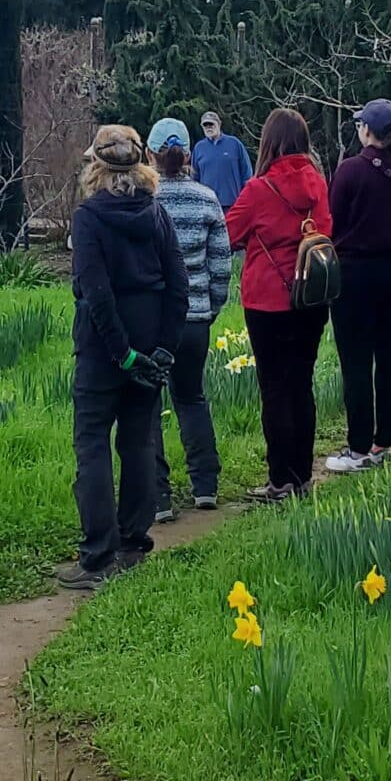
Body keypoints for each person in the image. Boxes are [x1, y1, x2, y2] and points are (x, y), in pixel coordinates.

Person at [61, 125, 188, 591]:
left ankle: (98, 555)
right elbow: (179, 284)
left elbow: (96, 293)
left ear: (95, 164)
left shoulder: (89, 218)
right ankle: (133, 542)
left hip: (103, 351)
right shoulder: (155, 212)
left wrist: (123, 354)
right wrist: (162, 350)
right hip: (148, 346)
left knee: (92, 444)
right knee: (138, 443)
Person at [225, 108, 333, 500]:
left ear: (269, 142)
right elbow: (326, 228)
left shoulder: (258, 189)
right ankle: (302, 476)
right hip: (311, 295)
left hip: (268, 299)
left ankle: (279, 479)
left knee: (274, 389)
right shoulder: (317, 183)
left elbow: (230, 232)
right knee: (301, 384)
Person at [324, 100, 391, 474]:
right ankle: (383, 442)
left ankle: (358, 446)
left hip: (356, 273)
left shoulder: (350, 171)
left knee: (357, 362)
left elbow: (334, 223)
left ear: (367, 130)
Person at [146, 117, 230, 518]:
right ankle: (205, 486)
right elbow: (221, 265)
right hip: (195, 320)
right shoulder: (207, 198)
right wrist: (211, 308)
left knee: (147, 406)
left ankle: (159, 498)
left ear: (151, 155)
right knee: (192, 399)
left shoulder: (145, 202)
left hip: (152, 323)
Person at [191, 110, 254, 210]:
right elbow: (194, 178)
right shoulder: (199, 148)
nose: (208, 127)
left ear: (219, 124)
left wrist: (245, 200)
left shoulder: (234, 144)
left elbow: (246, 174)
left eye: (211, 124)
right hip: (207, 205)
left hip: (232, 205)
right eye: (205, 125)